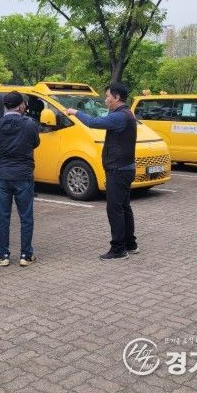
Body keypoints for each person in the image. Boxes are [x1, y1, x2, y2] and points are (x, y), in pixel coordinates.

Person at [65, 82, 138, 261]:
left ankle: (118, 249)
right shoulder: (126, 113)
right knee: (124, 206)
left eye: (107, 96)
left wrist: (75, 112)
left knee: (115, 209)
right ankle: (130, 243)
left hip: (118, 170)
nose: (106, 100)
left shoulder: (120, 116)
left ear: (117, 97)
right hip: (125, 168)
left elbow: (93, 122)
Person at [0, 91, 40, 267]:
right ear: (20, 106)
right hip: (23, 175)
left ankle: (3, 255)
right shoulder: (29, 124)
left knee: (3, 217)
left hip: (2, 175)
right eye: (24, 103)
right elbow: (35, 143)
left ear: (5, 106)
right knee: (26, 216)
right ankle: (26, 255)